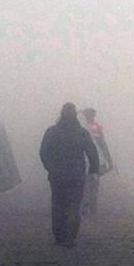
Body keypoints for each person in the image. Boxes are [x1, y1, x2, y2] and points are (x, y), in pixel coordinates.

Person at [39, 103, 99, 247]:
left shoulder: (52, 132)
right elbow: (92, 153)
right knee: (74, 205)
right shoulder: (82, 133)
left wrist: (50, 168)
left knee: (58, 205)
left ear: (61, 114)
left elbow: (43, 152)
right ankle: (70, 237)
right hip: (76, 175)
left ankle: (59, 236)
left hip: (57, 175)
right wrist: (93, 169)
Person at [81, 107, 115, 214]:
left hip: (85, 159)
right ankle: (92, 207)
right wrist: (109, 160)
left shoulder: (81, 127)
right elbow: (103, 144)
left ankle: (87, 206)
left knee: (86, 183)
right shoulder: (96, 127)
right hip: (96, 159)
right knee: (94, 183)